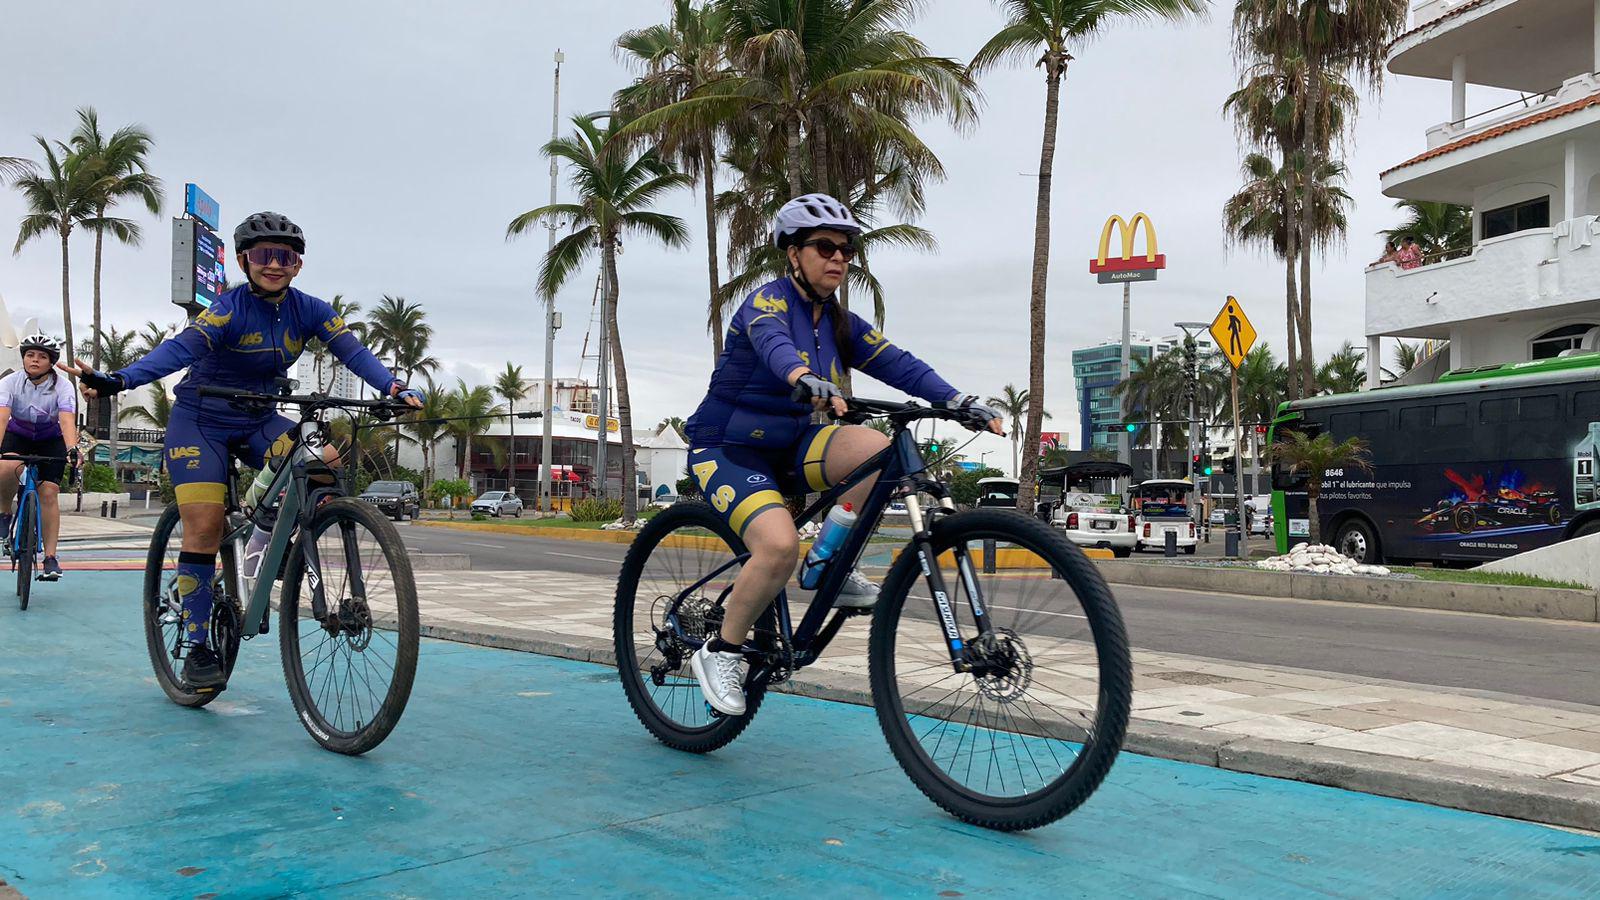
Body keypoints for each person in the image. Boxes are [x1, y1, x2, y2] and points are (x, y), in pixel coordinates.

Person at [68, 212, 423, 693]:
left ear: (298, 265)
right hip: (201, 420)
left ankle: (271, 528)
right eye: (263, 255)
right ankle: (197, 646)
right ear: (243, 261)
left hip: (258, 419)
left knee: (325, 463)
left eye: (286, 256)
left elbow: (354, 353)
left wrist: (393, 387)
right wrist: (118, 380)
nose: (275, 264)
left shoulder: (311, 310)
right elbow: (179, 350)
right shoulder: (227, 309)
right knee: (205, 524)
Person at [683, 192, 1003, 716]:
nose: (839, 257)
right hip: (727, 447)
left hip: (790, 446)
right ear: (793, 253)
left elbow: (898, 363)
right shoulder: (767, 303)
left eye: (847, 250)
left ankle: (826, 562)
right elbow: (773, 345)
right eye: (825, 246)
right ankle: (723, 649)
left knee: (876, 451)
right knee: (778, 546)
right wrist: (802, 377)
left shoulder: (838, 322)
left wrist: (955, 399)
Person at [0, 333, 79, 581]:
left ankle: (51, 558)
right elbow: (2, 418)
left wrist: (72, 450)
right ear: (23, 358)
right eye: (30, 355)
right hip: (18, 434)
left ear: (51, 362)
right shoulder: (10, 382)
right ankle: (4, 513)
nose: (34, 360)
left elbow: (67, 421)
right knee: (7, 466)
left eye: (42, 356)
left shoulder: (64, 386)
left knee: (49, 492)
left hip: (50, 439)